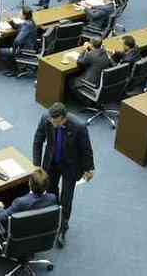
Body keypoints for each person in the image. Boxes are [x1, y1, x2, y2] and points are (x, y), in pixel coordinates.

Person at [32, 102, 94, 247]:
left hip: (71, 165)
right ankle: (52, 217)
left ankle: (62, 227)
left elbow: (86, 149)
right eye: (51, 120)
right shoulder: (46, 118)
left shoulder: (79, 126)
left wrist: (88, 169)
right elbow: (38, 140)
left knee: (67, 197)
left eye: (56, 122)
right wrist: (36, 164)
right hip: (52, 161)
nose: (53, 124)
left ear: (64, 118)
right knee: (51, 192)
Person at [3, 6, 36, 77]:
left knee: (0, 51)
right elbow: (17, 26)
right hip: (31, 46)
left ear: (24, 15)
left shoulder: (26, 25)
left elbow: (17, 41)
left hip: (25, 50)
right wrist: (9, 20)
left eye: (20, 13)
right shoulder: (30, 21)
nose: (19, 14)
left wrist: (13, 49)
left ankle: (14, 70)